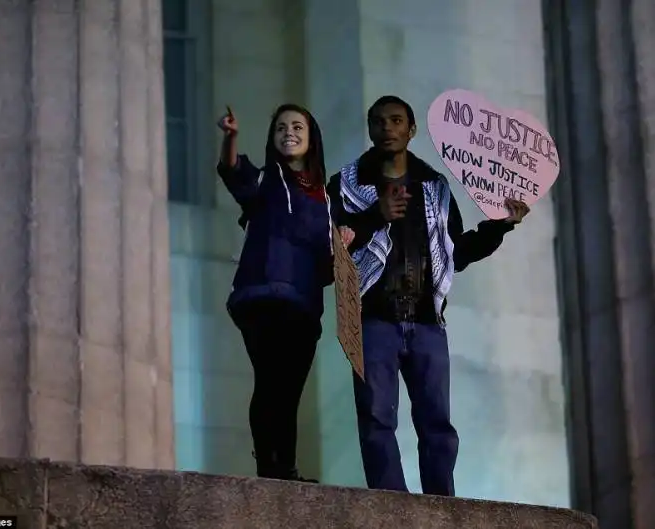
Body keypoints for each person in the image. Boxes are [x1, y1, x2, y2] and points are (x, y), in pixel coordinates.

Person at [327, 95, 530, 496]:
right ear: (369, 129)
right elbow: (332, 246)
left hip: (426, 322)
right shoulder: (347, 184)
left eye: (396, 120)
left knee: (437, 422)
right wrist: (375, 215)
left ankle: (442, 504)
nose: (387, 128)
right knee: (376, 418)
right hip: (373, 319)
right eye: (379, 121)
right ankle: (391, 504)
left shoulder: (434, 186)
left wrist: (501, 225)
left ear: (411, 129)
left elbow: (457, 252)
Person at [217, 104, 339, 482]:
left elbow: (330, 262)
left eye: (297, 126)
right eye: (281, 127)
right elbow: (234, 172)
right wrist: (231, 137)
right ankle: (270, 466)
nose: (289, 132)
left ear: (311, 136)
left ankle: (284, 466)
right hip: (262, 296)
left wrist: (344, 243)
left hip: (304, 305)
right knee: (270, 379)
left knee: (290, 389)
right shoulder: (266, 179)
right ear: (272, 138)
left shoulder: (328, 199)